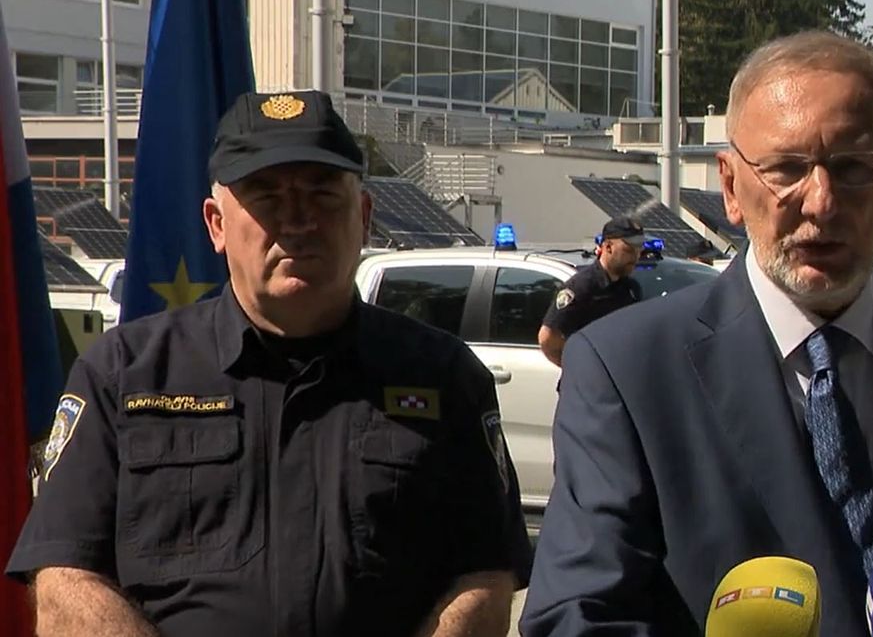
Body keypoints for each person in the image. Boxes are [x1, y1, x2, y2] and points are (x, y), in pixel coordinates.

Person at [520, 31, 873, 636]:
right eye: (787, 169)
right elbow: (576, 616)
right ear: (731, 186)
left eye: (853, 168)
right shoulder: (626, 370)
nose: (821, 202)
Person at [5, 91, 533, 637]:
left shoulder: (444, 377)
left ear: (364, 217)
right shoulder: (123, 374)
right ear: (216, 224)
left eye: (322, 194)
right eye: (266, 196)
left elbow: (486, 576)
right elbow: (65, 579)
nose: (298, 220)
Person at [537, 216, 645, 367]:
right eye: (628, 250)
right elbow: (548, 338)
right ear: (608, 247)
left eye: (639, 250)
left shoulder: (631, 289)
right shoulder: (581, 287)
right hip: (590, 378)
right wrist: (580, 368)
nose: (635, 257)